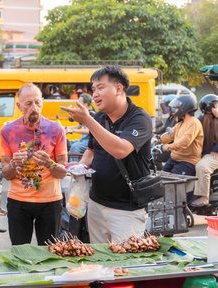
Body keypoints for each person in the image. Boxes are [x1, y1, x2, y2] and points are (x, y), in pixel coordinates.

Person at [61, 66, 152, 244]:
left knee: (125, 263)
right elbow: (91, 151)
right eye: (93, 89)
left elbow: (121, 150)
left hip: (127, 210)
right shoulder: (100, 118)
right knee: (100, 262)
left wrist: (87, 120)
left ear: (119, 89)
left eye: (101, 87)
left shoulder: (140, 118)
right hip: (96, 204)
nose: (95, 94)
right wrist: (79, 167)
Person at [0, 83, 68, 246]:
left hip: (50, 201)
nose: (34, 108)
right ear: (19, 106)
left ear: (43, 102)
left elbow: (63, 172)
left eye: (38, 102)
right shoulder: (8, 131)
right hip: (19, 201)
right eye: (29, 103)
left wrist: (49, 164)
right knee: (20, 252)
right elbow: (6, 174)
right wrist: (14, 164)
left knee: (49, 253)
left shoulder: (56, 129)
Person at [191, 94, 218, 207]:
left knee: (202, 167)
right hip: (202, 154)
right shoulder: (198, 121)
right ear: (209, 108)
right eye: (217, 106)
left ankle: (204, 197)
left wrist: (217, 148)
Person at [161, 95, 203, 176]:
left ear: (184, 108)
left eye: (176, 107)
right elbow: (170, 135)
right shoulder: (180, 123)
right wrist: (160, 139)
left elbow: (185, 142)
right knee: (161, 178)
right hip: (174, 158)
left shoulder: (194, 123)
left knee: (173, 184)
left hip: (187, 161)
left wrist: (169, 146)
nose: (174, 110)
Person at [67, 93, 96, 162]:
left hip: (89, 141)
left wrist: (72, 131)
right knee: (67, 142)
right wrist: (64, 128)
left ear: (86, 104)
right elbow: (77, 127)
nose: (77, 105)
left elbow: (88, 131)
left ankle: (74, 168)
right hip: (82, 140)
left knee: (75, 146)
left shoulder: (91, 114)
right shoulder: (83, 114)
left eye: (79, 102)